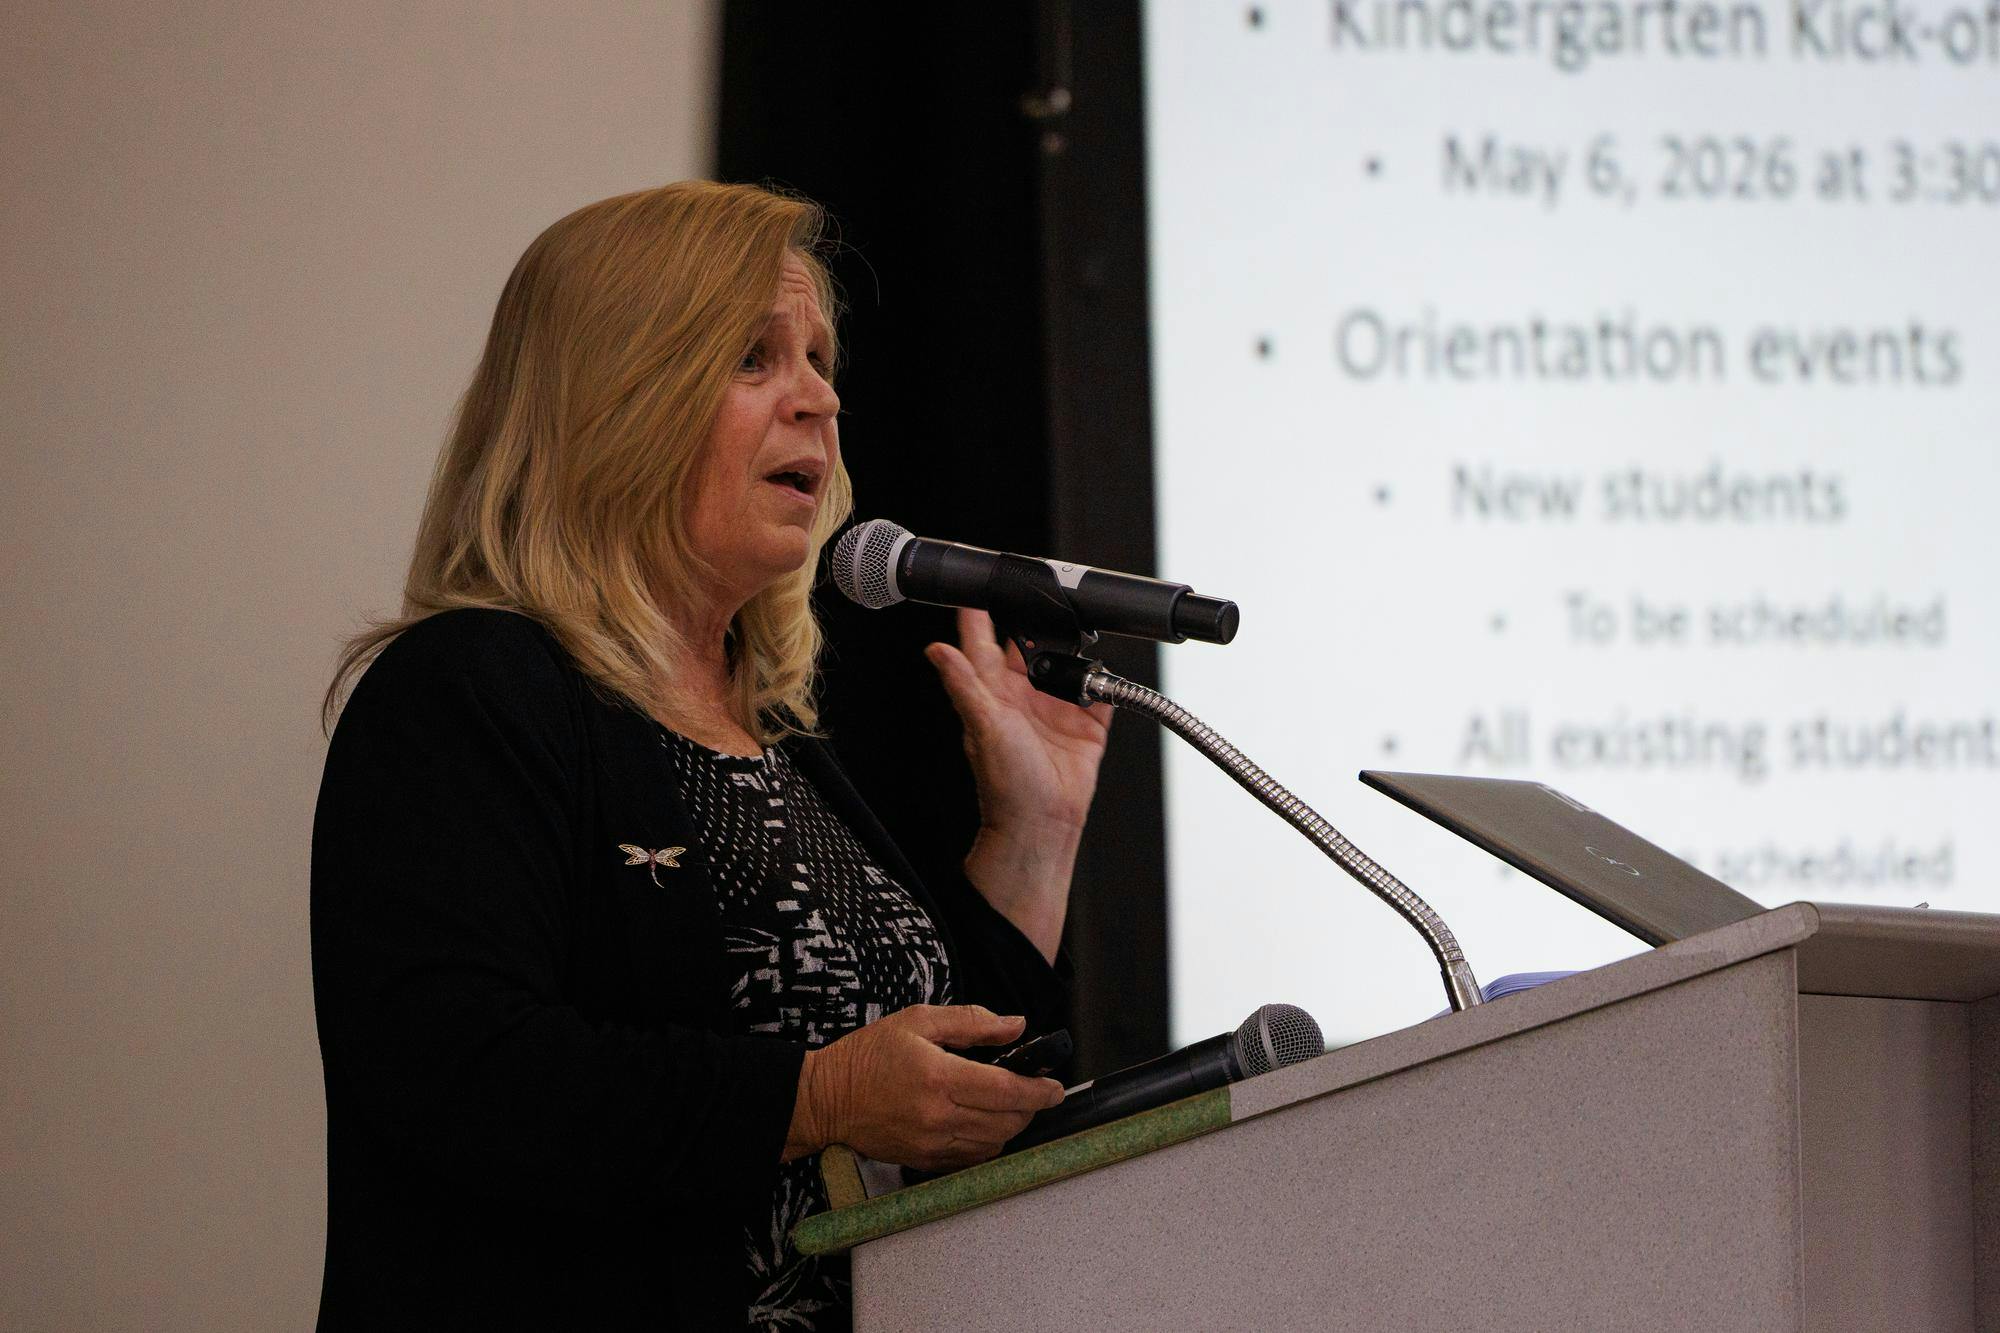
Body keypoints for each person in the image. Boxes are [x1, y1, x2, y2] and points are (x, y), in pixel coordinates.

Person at [310, 180, 1112, 1329]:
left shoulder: (779, 747)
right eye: (752, 357)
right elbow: (462, 1075)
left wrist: (1032, 833)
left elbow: (936, 1103)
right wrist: (816, 1094)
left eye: (821, 358)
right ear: (613, 398)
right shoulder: (468, 690)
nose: (820, 399)